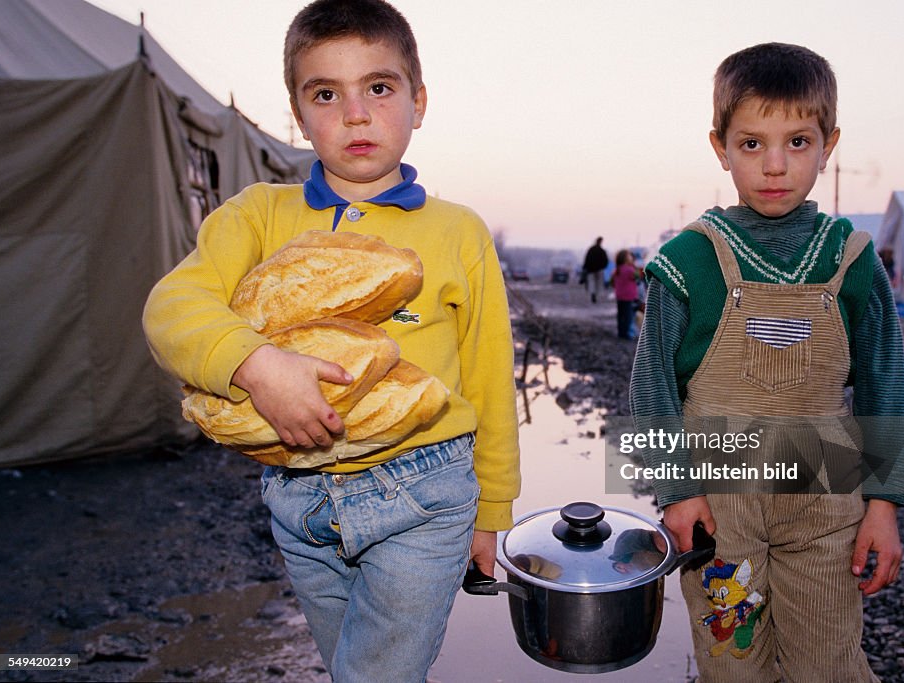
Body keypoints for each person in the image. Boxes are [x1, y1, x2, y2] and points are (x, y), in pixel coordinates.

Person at [142, 1, 521, 680]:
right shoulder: (260, 215)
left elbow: (489, 375)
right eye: (326, 93)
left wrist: (493, 510)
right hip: (298, 497)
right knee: (350, 664)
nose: (355, 113)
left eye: (379, 87)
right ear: (298, 110)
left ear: (418, 101)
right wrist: (255, 364)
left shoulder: (458, 231)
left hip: (424, 494)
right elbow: (171, 307)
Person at [630, 43, 904, 681]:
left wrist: (885, 503)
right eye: (752, 144)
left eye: (798, 142)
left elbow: (883, 386)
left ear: (829, 144)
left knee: (829, 661)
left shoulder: (852, 258)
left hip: (826, 506)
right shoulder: (689, 261)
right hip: (719, 512)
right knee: (734, 661)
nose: (775, 166)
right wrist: (676, 494)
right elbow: (652, 390)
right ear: (720, 146)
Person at [613, 249, 639, 339]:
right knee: (628, 316)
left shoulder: (617, 270)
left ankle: (621, 332)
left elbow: (612, 282)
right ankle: (627, 334)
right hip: (629, 296)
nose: (631, 257)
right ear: (626, 258)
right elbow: (637, 276)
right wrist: (634, 266)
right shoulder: (630, 269)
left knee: (620, 315)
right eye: (629, 256)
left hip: (619, 296)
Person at [582, 236, 609, 302]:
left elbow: (587, 259)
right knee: (598, 283)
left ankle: (593, 294)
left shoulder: (591, 249)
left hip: (591, 270)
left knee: (592, 282)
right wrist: (602, 267)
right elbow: (605, 261)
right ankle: (595, 294)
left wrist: (586, 267)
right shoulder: (602, 251)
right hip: (599, 270)